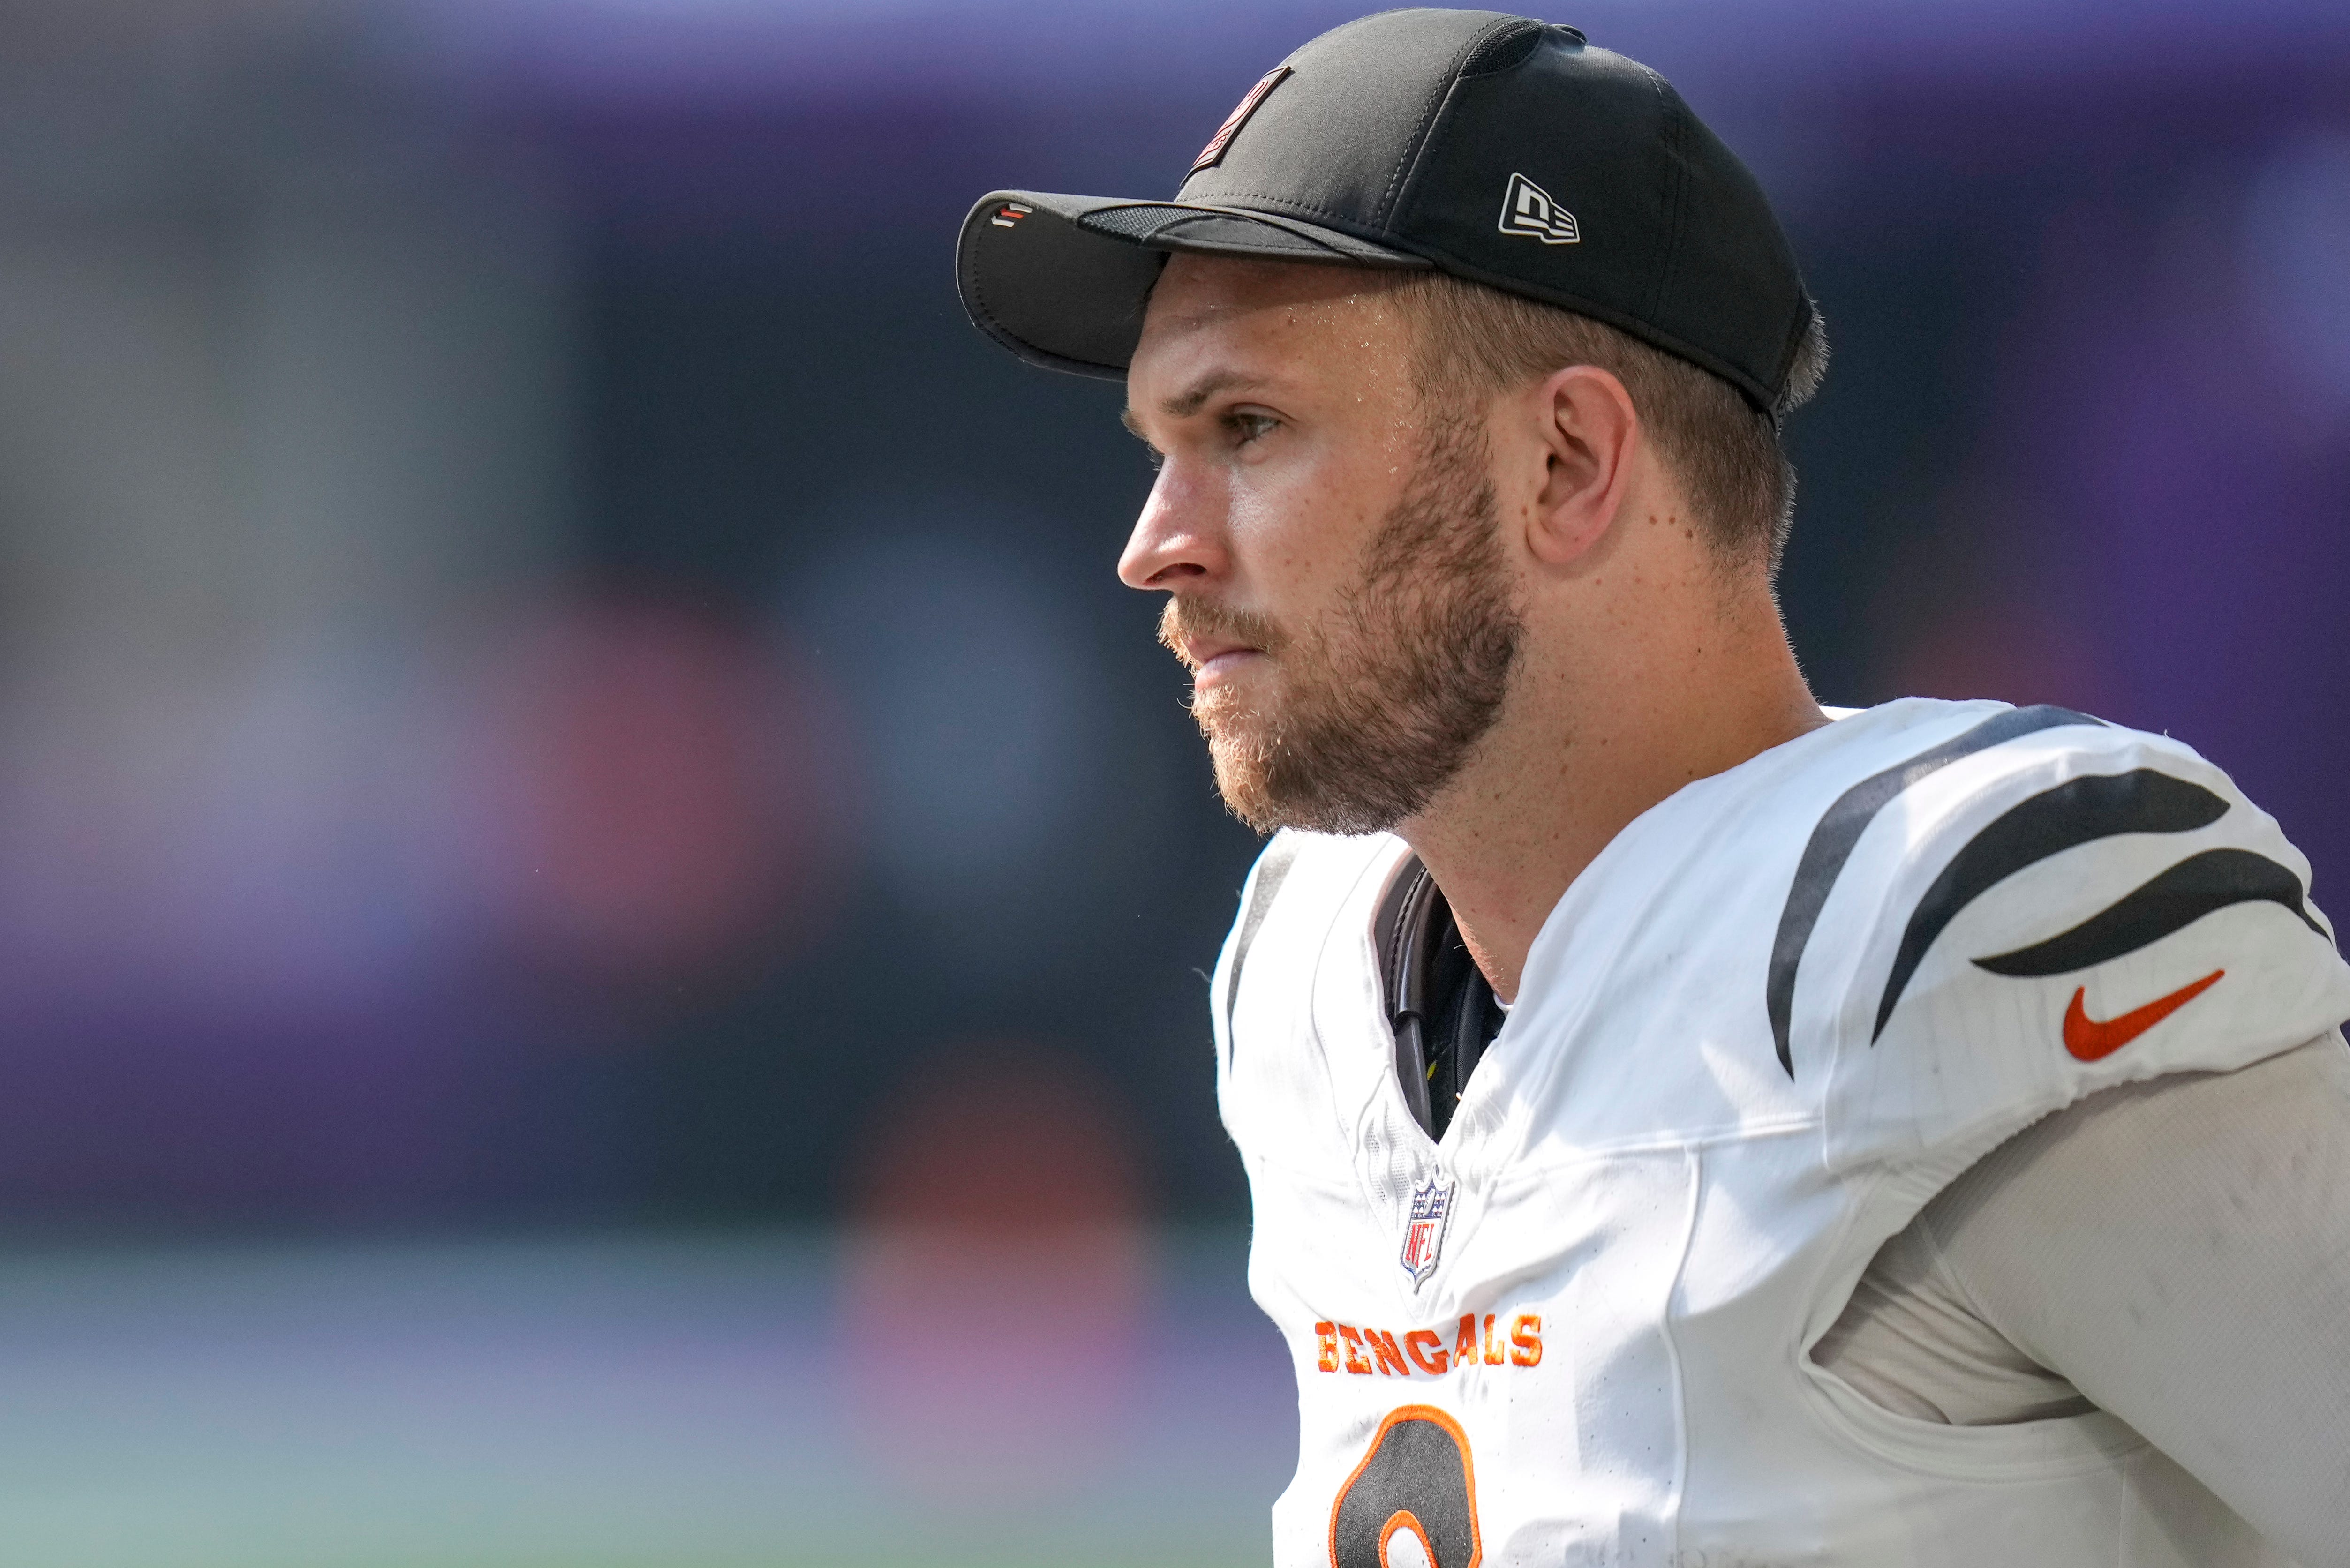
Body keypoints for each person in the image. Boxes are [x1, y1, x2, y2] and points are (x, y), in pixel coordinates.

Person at [955, 10, 2350, 1566]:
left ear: (1562, 463)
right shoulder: (1310, 961)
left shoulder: (1961, 930)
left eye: (1249, 426)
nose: (1158, 540)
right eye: (1163, 442)